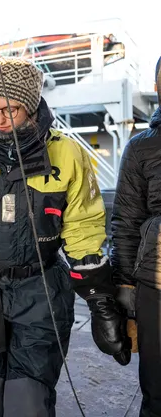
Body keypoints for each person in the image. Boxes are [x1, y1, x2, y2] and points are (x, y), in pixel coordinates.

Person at [0, 57, 130, 416]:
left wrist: (101, 303)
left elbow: (83, 229)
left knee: (28, 402)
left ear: (32, 106)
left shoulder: (67, 154)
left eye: (11, 110)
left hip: (42, 291)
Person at [110, 55, 161, 417]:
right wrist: (126, 299)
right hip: (155, 290)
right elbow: (126, 223)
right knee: (157, 393)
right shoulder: (141, 147)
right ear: (157, 86)